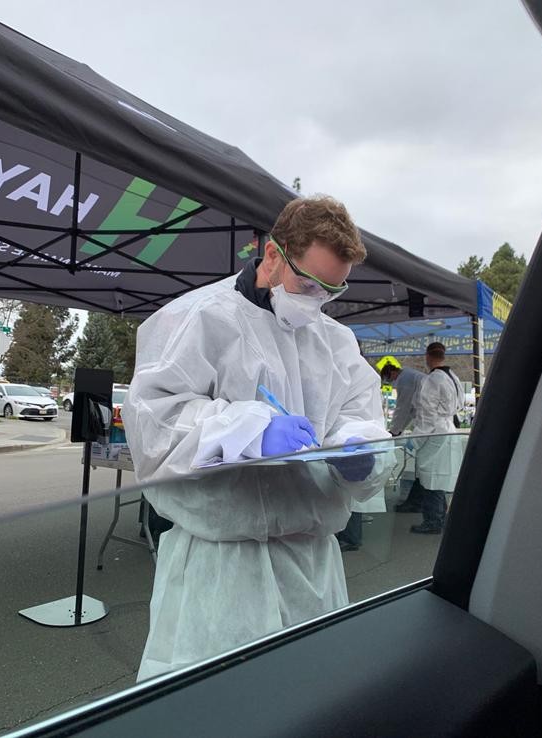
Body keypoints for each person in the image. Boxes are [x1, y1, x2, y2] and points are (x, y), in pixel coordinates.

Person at [122, 196, 392, 681]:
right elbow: (154, 421)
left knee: (313, 696)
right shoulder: (198, 317)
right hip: (223, 570)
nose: (317, 299)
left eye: (331, 290)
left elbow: (359, 411)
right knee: (218, 702)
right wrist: (247, 429)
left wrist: (360, 448)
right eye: (308, 283)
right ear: (272, 254)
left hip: (313, 564)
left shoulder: (334, 340)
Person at [410, 342, 465, 534]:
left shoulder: (432, 380)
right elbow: (459, 404)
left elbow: (427, 416)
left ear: (427, 356)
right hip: (448, 429)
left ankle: (433, 521)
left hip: (435, 432)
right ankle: (441, 518)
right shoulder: (453, 377)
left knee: (431, 478)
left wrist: (415, 440)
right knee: (440, 478)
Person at [380, 363, 426, 512]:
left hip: (427, 426)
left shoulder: (405, 380)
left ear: (393, 373)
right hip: (426, 425)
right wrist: (398, 430)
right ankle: (418, 502)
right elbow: (409, 410)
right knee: (423, 471)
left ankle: (418, 503)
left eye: (390, 380)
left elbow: (403, 408)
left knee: (424, 470)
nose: (392, 383)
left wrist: (394, 431)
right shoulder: (412, 376)